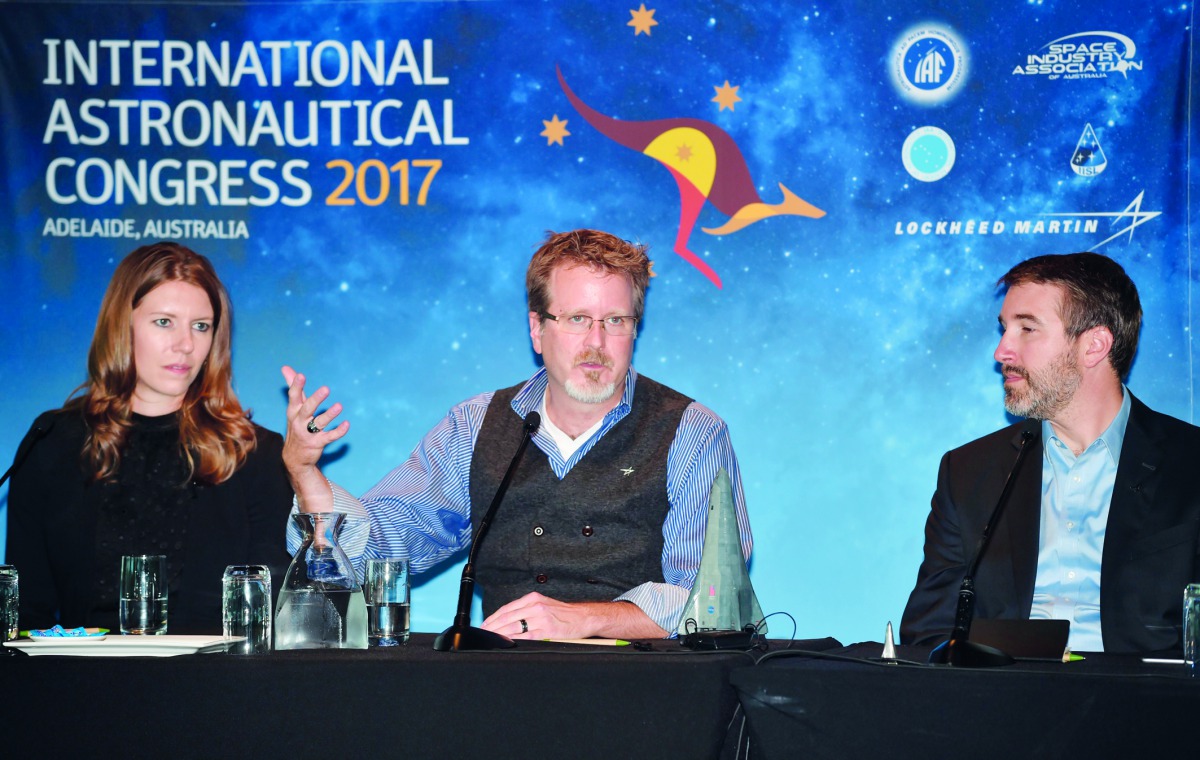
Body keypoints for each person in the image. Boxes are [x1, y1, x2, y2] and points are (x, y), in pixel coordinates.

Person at [282, 228, 753, 640]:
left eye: (615, 321)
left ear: (635, 328)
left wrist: (585, 619)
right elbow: (377, 552)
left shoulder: (692, 432)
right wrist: (305, 473)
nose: (596, 342)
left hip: (639, 689)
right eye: (576, 319)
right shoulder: (475, 425)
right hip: (506, 684)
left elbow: (713, 599)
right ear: (536, 328)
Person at [900, 252, 1200, 654]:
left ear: (1094, 345)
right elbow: (929, 636)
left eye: (1027, 329)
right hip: (1005, 701)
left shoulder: (1190, 463)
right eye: (1004, 329)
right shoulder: (969, 472)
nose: (1002, 352)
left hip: (1146, 706)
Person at [5, 242, 294, 634]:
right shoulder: (54, 440)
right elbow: (25, 615)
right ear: (121, 326)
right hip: (79, 686)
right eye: (164, 322)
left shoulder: (255, 453)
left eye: (200, 326)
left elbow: (272, 613)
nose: (186, 344)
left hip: (215, 686)